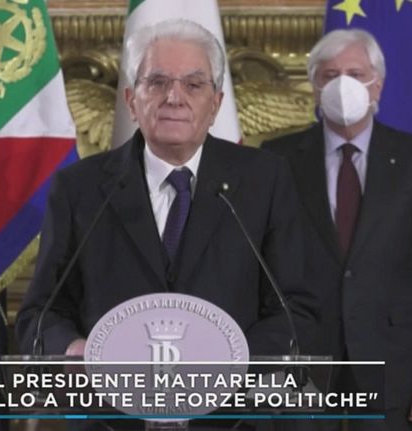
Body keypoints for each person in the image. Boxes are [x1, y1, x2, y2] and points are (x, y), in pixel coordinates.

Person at [16, 15, 316, 388]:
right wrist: (74, 350)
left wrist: (227, 364)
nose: (174, 97)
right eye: (157, 82)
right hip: (114, 404)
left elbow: (295, 311)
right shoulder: (79, 188)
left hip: (232, 407)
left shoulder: (264, 180)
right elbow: (39, 316)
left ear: (215, 104)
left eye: (193, 84)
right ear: (131, 101)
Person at [262, 29, 412, 430]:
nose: (342, 85)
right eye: (330, 75)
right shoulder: (279, 158)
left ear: (377, 84)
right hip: (302, 361)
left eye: (355, 74)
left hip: (392, 358)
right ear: (315, 87)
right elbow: (263, 266)